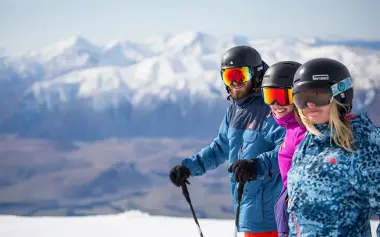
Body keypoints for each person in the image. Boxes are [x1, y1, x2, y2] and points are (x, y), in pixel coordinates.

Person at [169, 45, 286, 237]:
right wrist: (189, 167)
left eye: (240, 75)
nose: (235, 82)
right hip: (248, 210)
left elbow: (288, 150)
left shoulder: (270, 107)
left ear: (255, 75)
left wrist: (257, 166)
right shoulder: (234, 110)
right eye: (229, 76)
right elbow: (220, 147)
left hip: (269, 215)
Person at [287, 58, 380, 236]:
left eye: (318, 96)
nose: (310, 105)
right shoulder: (308, 143)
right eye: (301, 98)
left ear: (341, 94)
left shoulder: (363, 144)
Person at [260, 61, 307, 237]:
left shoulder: (304, 132)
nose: (274, 103)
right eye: (269, 95)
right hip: (288, 220)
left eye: (281, 96)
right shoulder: (291, 128)